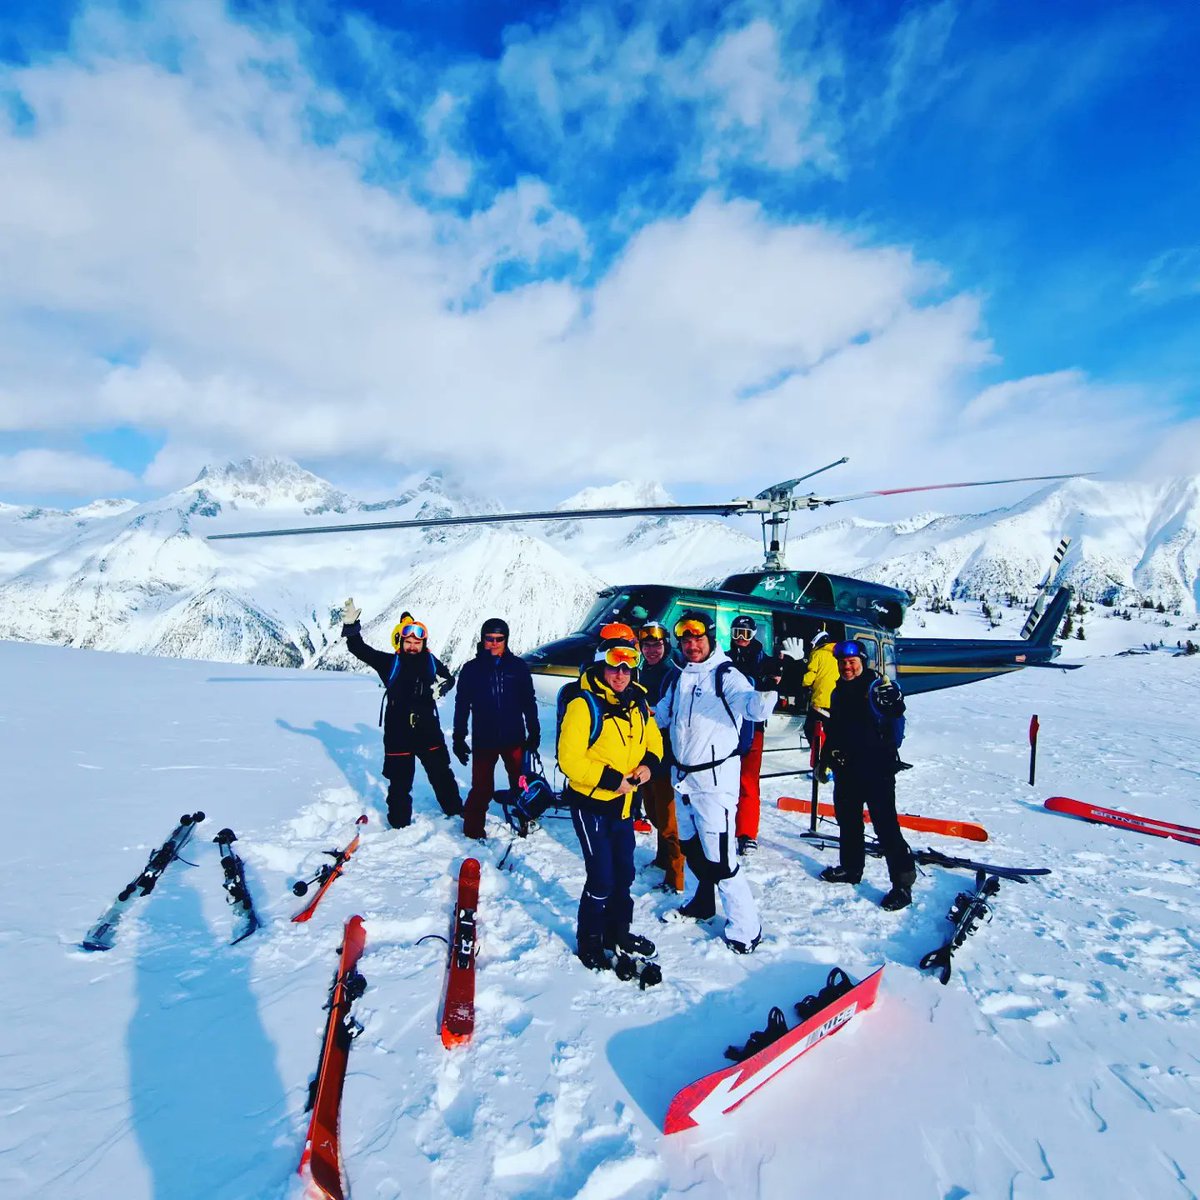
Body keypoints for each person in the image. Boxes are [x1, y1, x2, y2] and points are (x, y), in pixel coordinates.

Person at [656, 611, 782, 954]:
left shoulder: (727, 675)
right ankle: (701, 903)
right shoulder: (679, 675)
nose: (692, 646)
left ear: (711, 640)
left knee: (722, 859)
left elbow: (753, 708)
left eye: (698, 639)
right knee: (691, 847)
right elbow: (661, 717)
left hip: (714, 783)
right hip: (682, 779)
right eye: (685, 640)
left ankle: (746, 928)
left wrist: (768, 688)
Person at [558, 636, 664, 971]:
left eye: (626, 667)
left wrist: (648, 766)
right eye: (613, 667)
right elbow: (569, 760)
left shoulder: (638, 703)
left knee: (625, 873)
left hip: (624, 805)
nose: (619, 674)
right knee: (602, 877)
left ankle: (618, 932)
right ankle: (589, 940)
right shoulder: (583, 704)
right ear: (601, 666)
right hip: (592, 805)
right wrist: (611, 780)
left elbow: (655, 742)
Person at [340, 599, 462, 828]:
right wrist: (351, 627)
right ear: (401, 642)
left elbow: (449, 678)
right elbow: (359, 649)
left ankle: (455, 811)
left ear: (423, 643)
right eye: (409, 642)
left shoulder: (431, 662)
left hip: (428, 730)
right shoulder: (389, 663)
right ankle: (399, 824)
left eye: (417, 642)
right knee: (399, 782)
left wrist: (442, 687)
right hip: (398, 733)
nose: (413, 646)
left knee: (441, 774)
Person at [817, 640, 916, 910]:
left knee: (885, 827)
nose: (846, 667)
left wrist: (895, 706)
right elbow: (835, 729)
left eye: (852, 663)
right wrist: (824, 760)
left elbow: (895, 718)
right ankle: (851, 869)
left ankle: (902, 885)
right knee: (848, 821)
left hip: (877, 770)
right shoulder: (839, 692)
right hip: (847, 769)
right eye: (842, 663)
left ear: (862, 662)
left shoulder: (876, 687)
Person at [453, 617, 541, 841]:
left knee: (520, 782)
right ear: (482, 640)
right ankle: (472, 831)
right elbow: (462, 705)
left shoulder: (518, 667)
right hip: (484, 739)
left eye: (498, 639)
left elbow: (528, 701)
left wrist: (534, 730)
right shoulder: (471, 669)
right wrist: (459, 737)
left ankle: (525, 819)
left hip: (514, 737)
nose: (493, 643)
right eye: (489, 639)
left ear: (506, 640)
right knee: (481, 787)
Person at [636, 622, 684, 892]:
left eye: (657, 644)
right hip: (646, 754)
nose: (652, 650)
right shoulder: (641, 672)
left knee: (668, 819)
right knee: (653, 810)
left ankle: (676, 876)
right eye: (647, 645)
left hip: (667, 755)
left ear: (666, 645)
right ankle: (662, 858)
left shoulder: (673, 673)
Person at [727, 615, 771, 856]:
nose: (740, 639)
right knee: (722, 779)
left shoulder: (764, 661)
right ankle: (722, 826)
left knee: (748, 781)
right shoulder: (724, 658)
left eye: (745, 634)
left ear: (753, 635)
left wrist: (790, 668)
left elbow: (784, 685)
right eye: (736, 634)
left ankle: (746, 833)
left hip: (753, 728)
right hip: (726, 727)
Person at [801, 630, 838, 755]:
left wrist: (799, 681)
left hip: (820, 702)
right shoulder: (838, 654)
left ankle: (821, 762)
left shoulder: (818, 654)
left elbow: (811, 675)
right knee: (831, 734)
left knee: (811, 730)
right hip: (836, 702)